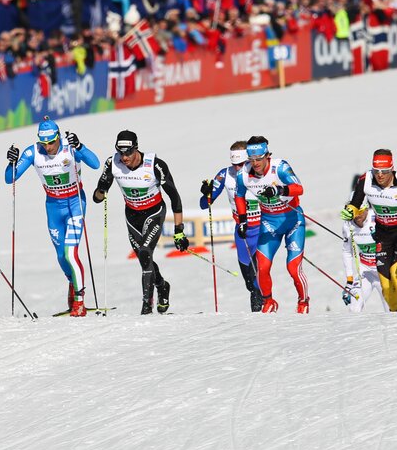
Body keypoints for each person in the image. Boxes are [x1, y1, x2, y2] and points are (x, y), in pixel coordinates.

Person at [4, 118, 100, 315]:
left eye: (51, 142)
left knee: (70, 253)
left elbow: (96, 163)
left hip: (75, 204)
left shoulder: (70, 147)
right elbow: (9, 178)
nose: (48, 147)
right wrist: (11, 162)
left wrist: (80, 146)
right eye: (44, 142)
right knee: (60, 256)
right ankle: (73, 283)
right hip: (53, 207)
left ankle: (79, 301)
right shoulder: (33, 152)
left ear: (58, 137)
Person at [93, 130, 189, 314]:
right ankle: (162, 285)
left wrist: (179, 231)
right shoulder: (112, 163)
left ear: (136, 149)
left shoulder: (155, 165)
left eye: (128, 152)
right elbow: (97, 198)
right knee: (145, 260)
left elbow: (175, 197)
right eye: (120, 152)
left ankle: (146, 306)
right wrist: (101, 188)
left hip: (154, 213)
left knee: (145, 252)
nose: (124, 157)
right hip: (132, 216)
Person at [235, 136, 308, 313]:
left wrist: (280, 189)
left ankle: (303, 302)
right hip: (269, 223)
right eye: (251, 160)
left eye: (259, 159)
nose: (255, 163)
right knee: (262, 267)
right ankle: (268, 301)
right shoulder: (243, 174)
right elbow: (239, 196)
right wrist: (243, 219)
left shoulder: (280, 167)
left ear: (267, 155)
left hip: (293, 221)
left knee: (293, 268)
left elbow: (299, 188)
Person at [200, 141, 263, 312]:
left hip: (262, 229)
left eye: (241, 164)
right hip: (242, 232)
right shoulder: (225, 174)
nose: (237, 169)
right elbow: (204, 204)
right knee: (249, 281)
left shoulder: (259, 173)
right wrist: (207, 192)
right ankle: (260, 308)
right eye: (234, 164)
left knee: (259, 278)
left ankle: (262, 315)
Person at [342, 149, 397, 311]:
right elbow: (356, 201)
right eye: (376, 171)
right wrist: (350, 211)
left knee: (395, 274)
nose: (380, 175)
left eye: (385, 171)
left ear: (392, 169)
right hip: (383, 236)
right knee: (387, 290)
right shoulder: (366, 179)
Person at [341, 204, 387, 312]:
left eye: (360, 211)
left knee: (392, 313)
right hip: (365, 272)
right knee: (353, 307)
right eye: (354, 213)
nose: (357, 216)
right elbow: (347, 251)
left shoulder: (377, 218)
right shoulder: (348, 225)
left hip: (384, 272)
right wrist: (349, 281)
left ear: (367, 209)